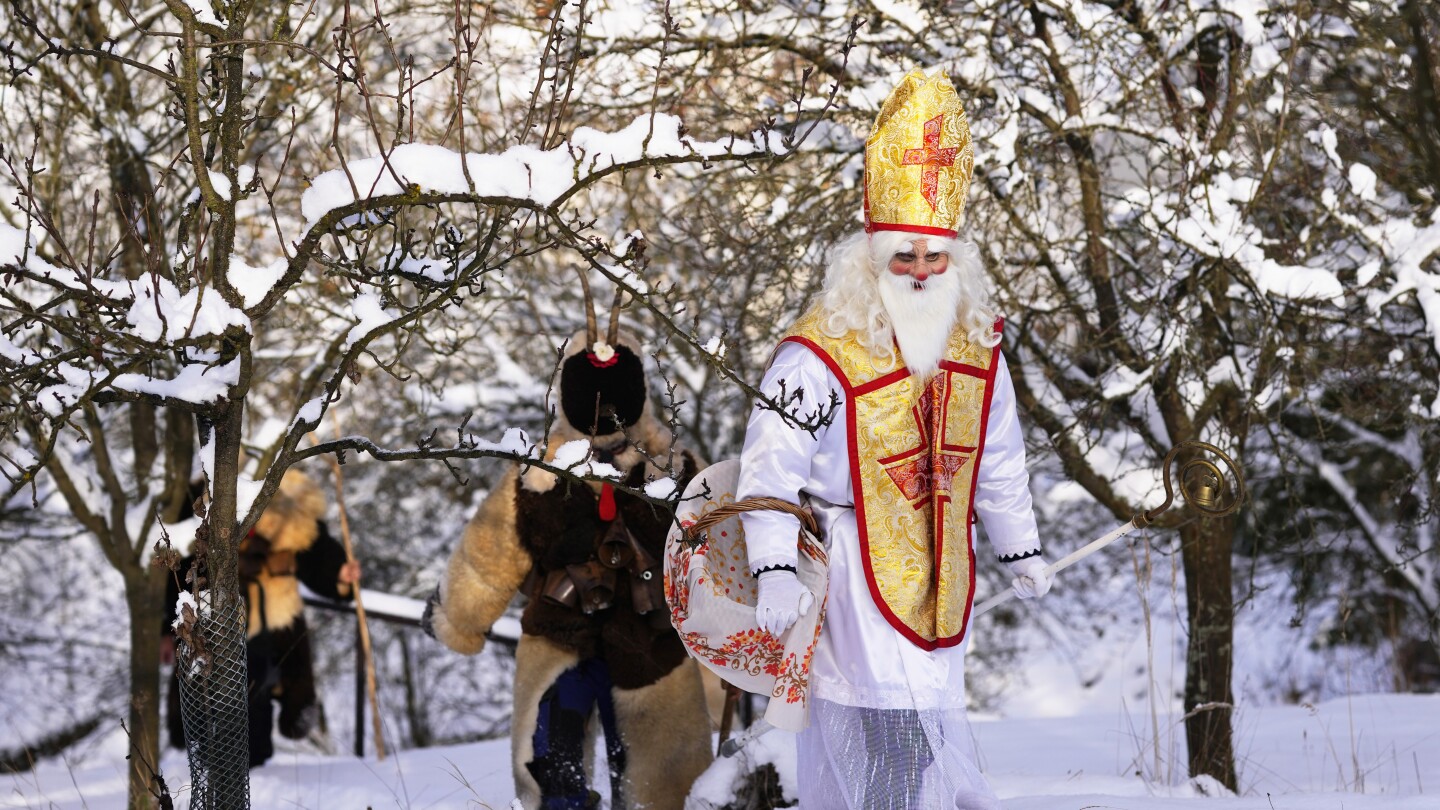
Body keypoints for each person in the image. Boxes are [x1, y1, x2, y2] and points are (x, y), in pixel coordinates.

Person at [735, 68, 1053, 809]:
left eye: (932, 257)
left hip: (944, 569)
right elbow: (770, 461)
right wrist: (774, 563)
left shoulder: (978, 348)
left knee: (922, 728)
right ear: (869, 258)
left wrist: (1021, 547)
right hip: (849, 569)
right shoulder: (818, 351)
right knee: (880, 734)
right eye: (901, 257)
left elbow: (997, 459)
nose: (917, 272)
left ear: (955, 262)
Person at [424, 316, 714, 810]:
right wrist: (462, 617)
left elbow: (717, 555)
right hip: (560, 645)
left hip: (653, 650)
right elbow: (492, 554)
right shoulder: (537, 475)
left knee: (663, 790)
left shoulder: (677, 473)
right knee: (553, 777)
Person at [163, 468, 360, 768]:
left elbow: (316, 553)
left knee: (258, 696)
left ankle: (251, 770)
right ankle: (219, 769)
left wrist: (339, 575)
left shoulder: (288, 509)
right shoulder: (203, 505)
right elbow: (177, 578)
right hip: (216, 623)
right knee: (211, 698)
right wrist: (168, 627)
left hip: (272, 625)